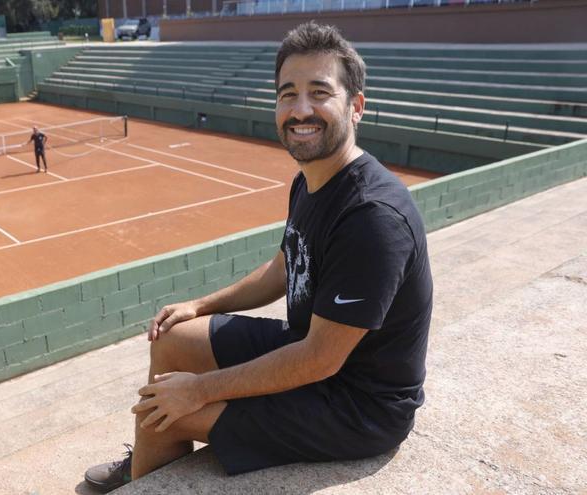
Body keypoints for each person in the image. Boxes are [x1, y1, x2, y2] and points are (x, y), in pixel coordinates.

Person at [83, 21, 433, 493]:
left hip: (357, 407)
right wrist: (200, 306)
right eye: (288, 94)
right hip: (312, 351)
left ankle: (145, 479)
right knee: (172, 340)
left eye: (319, 92)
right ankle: (151, 467)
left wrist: (200, 389)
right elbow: (286, 267)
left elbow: (320, 360)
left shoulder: (373, 218)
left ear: (356, 108)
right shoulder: (310, 181)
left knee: (166, 404)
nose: (300, 109)